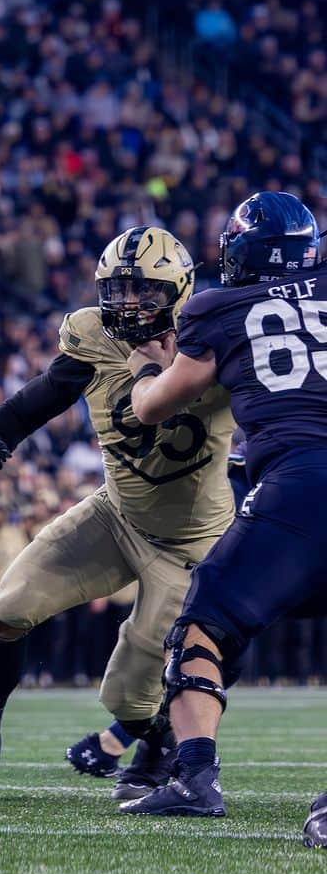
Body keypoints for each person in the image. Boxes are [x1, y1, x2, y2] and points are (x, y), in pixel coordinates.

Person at [0, 226, 235, 801]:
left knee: (130, 694)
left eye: (146, 291)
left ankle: (155, 746)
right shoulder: (92, 334)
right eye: (119, 288)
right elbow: (47, 392)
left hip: (191, 543)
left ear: (181, 292)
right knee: (7, 609)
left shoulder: (212, 339)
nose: (129, 303)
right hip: (116, 513)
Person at [119, 193, 327, 837]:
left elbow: (154, 407)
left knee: (205, 621)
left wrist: (141, 371)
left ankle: (195, 776)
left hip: (302, 483)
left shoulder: (219, 306)